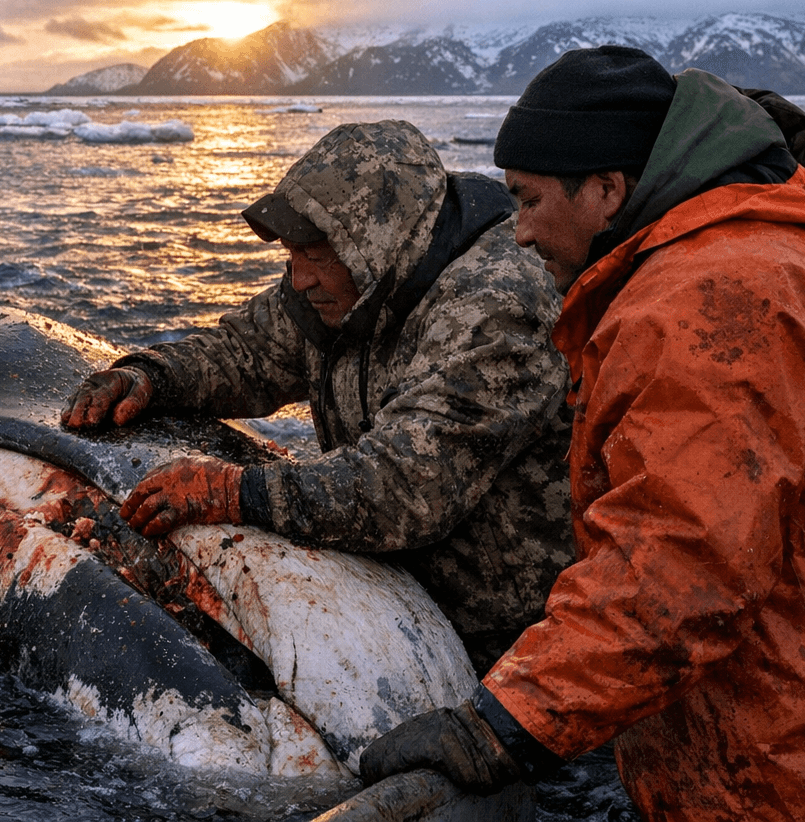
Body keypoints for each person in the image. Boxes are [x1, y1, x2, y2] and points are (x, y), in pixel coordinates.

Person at [359, 45, 805, 820]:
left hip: (791, 773)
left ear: (608, 189)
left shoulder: (692, 308)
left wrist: (504, 725)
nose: (520, 234)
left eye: (531, 201)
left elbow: (676, 571)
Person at [63, 119, 575, 675]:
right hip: (395, 601)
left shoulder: (498, 300)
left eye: (315, 253)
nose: (299, 277)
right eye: (292, 253)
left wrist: (235, 492)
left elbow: (409, 485)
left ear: (376, 243)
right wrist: (149, 376)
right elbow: (247, 351)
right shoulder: (349, 283)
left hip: (524, 645)